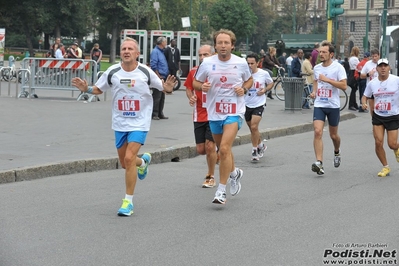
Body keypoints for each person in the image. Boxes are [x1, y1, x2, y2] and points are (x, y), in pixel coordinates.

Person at [71, 37, 176, 216]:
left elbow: (165, 88)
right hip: (120, 122)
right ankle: (143, 163)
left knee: (128, 159)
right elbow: (98, 89)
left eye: (130, 49)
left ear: (137, 53)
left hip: (140, 122)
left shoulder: (146, 71)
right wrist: (86, 89)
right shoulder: (113, 72)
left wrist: (168, 87)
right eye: (124, 49)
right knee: (125, 163)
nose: (126, 51)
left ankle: (128, 202)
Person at [193, 29, 253, 204]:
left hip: (234, 111)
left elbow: (249, 80)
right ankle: (234, 173)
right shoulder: (207, 63)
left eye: (226, 43)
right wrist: (201, 86)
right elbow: (195, 82)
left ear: (232, 45)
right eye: (220, 43)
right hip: (214, 113)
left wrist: (245, 88)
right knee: (222, 149)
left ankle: (221, 190)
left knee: (225, 149)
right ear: (215, 46)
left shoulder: (241, 63)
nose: (223, 46)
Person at [309, 40, 347, 175]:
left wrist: (328, 80)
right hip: (320, 104)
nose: (321, 54)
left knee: (333, 135)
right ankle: (319, 162)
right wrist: (314, 92)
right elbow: (315, 82)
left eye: (324, 52)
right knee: (318, 131)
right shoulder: (317, 68)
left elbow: (344, 86)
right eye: (320, 52)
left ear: (331, 54)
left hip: (333, 105)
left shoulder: (338, 68)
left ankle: (337, 152)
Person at [184, 44, 218, 188]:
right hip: (199, 115)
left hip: (214, 115)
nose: (202, 58)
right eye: (200, 55)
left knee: (209, 146)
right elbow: (188, 88)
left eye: (206, 55)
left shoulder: (219, 71)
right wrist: (191, 97)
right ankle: (217, 152)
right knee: (201, 149)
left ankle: (210, 176)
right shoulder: (194, 71)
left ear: (213, 55)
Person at [361, 59, 399, 177]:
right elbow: (365, 96)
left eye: (385, 66)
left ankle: (396, 150)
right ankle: (385, 167)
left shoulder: (396, 80)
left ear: (389, 68)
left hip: (393, 115)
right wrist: (364, 103)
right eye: (380, 66)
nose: (383, 68)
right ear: (376, 69)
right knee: (378, 142)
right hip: (378, 115)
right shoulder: (372, 83)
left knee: (392, 144)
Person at [245, 53, 273, 161]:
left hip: (259, 104)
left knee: (254, 127)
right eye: (248, 63)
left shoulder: (263, 73)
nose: (250, 66)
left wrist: (265, 90)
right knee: (253, 129)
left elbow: (271, 83)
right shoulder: (244, 75)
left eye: (252, 63)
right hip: (246, 103)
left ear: (257, 63)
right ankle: (261, 144)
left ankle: (254, 150)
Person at [150, 36, 169, 120]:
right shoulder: (155, 51)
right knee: (157, 96)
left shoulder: (162, 51)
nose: (166, 43)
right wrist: (157, 75)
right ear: (161, 43)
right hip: (158, 76)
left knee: (162, 96)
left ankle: (160, 113)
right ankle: (154, 113)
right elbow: (154, 64)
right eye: (165, 42)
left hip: (163, 76)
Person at [360, 49, 380, 115]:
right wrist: (368, 74)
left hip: (381, 88)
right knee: (372, 108)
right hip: (371, 88)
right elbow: (361, 75)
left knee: (380, 107)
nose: (374, 58)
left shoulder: (382, 63)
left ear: (379, 56)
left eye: (375, 56)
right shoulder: (368, 64)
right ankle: (374, 122)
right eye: (373, 56)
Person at [348, 46, 360, 111]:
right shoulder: (355, 59)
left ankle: (354, 104)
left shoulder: (351, 58)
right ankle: (351, 104)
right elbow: (358, 66)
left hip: (351, 73)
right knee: (354, 89)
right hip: (354, 73)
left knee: (354, 90)